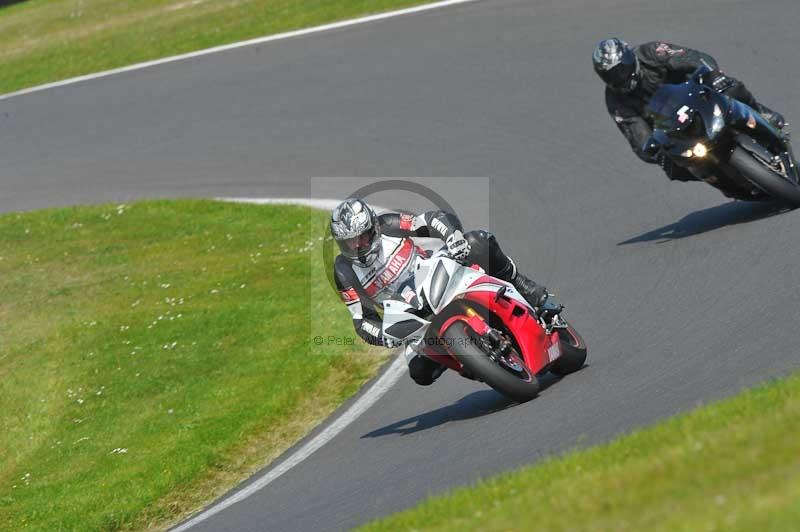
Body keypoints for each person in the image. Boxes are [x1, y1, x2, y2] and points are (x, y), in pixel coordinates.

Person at [330, 197, 548, 386]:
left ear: (373, 228)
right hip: (411, 317)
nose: (358, 246)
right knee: (420, 372)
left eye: (362, 238)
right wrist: (384, 336)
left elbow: (432, 219)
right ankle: (475, 363)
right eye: (349, 243)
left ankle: (523, 286)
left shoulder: (388, 224)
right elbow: (362, 320)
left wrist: (453, 237)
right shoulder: (343, 271)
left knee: (477, 241)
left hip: (437, 277)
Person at [592, 38, 787, 181]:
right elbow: (635, 134)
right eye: (609, 76)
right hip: (671, 129)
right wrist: (653, 151)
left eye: (620, 70)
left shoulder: (651, 52)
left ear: (629, 58)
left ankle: (760, 113)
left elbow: (695, 58)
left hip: (697, 98)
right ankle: (723, 180)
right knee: (674, 168)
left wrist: (713, 75)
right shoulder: (615, 100)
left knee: (732, 87)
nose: (618, 78)